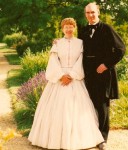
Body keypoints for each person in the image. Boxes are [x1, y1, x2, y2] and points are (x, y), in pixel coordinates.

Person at [28, 18, 104, 150]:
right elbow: (53, 60)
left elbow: (81, 60)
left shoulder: (80, 43)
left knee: (75, 110)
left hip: (75, 79)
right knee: (56, 110)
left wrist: (72, 75)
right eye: (66, 27)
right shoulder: (57, 43)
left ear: (74, 28)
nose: (68, 29)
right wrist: (60, 76)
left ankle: (78, 139)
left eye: (71, 26)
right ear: (62, 29)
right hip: (59, 79)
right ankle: (55, 140)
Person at [78, 2, 126, 150]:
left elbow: (120, 49)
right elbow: (77, 48)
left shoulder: (107, 29)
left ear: (98, 12)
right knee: (89, 105)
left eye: (93, 12)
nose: (90, 15)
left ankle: (102, 139)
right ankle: (91, 136)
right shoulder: (83, 30)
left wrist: (106, 64)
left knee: (102, 106)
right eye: (88, 13)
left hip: (103, 73)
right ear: (85, 14)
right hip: (88, 73)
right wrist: (59, 43)